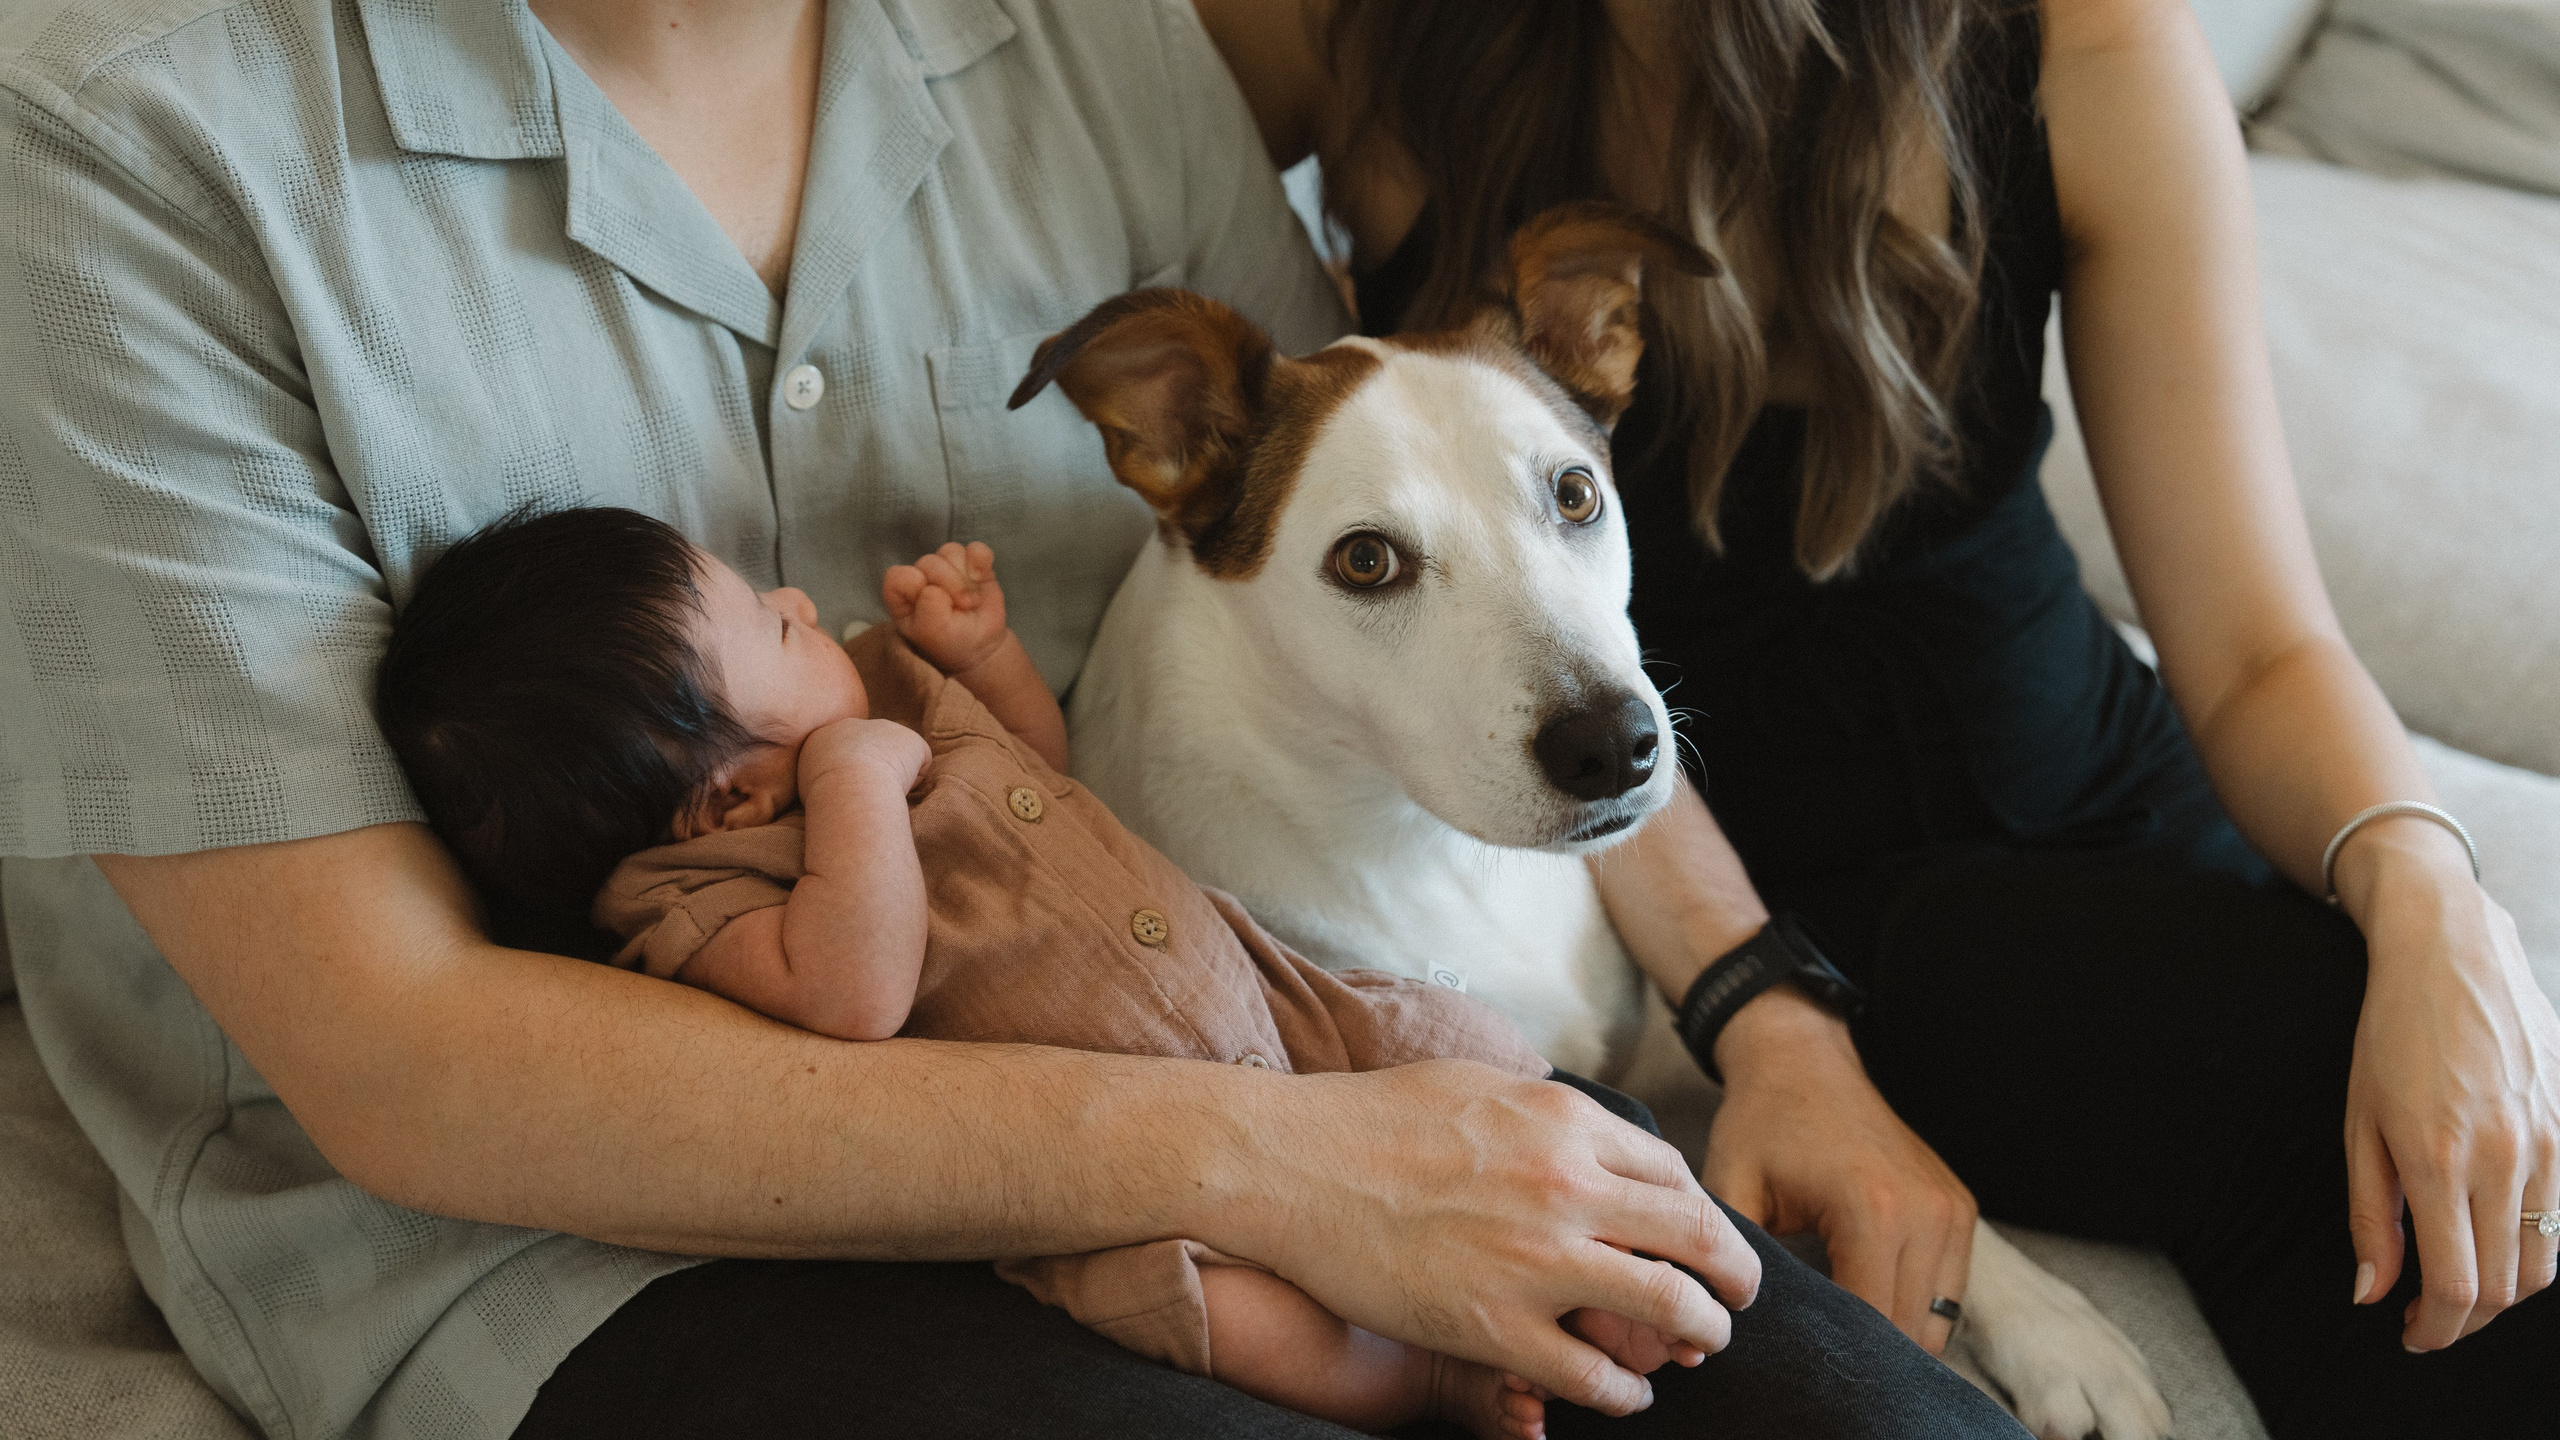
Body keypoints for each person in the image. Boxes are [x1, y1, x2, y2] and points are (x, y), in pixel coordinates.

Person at [0, 1, 2031, 1437]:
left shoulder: (1091, 40)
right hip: (570, 1239)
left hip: (1198, 1055)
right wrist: (1277, 1162)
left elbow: (1410, 564)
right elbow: (409, 1067)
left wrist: (1766, 1008)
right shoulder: (121, 145)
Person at [1192, 0, 2560, 1435]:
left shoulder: (2085, 44)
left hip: (2097, 794)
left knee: (2450, 1154)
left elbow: (2262, 649)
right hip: (1761, 905)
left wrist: (2435, 905)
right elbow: (1236, 432)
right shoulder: (1356, 35)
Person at [378, 507, 1707, 1440]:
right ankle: (1424, 1384)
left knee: (1462, 1039)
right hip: (1114, 1176)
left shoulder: (884, 714)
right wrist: (848, 787)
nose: (797, 603)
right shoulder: (699, 895)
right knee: (1232, 1323)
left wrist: (982, 661)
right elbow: (854, 996)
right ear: (719, 801)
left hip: (1265, 993)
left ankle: (1602, 1230)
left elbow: (1036, 769)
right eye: (767, 633)